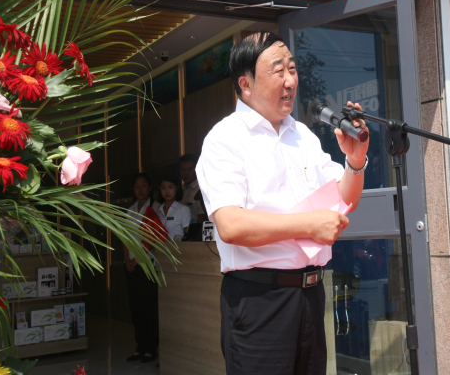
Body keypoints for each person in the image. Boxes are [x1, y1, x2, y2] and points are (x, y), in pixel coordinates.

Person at [196, 31, 369, 375]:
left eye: (292, 68)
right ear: (245, 84)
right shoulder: (224, 139)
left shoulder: (302, 136)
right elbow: (230, 225)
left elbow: (344, 199)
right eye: (279, 71)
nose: (290, 80)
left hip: (310, 295)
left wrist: (355, 161)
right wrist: (309, 225)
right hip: (259, 300)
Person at [124, 173, 161, 364]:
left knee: (149, 307)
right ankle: (140, 345)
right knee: (136, 307)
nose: (140, 190)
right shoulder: (130, 210)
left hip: (148, 264)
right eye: (137, 186)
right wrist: (127, 260)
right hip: (131, 265)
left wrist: (137, 260)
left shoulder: (156, 208)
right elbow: (125, 237)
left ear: (150, 187)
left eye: (144, 185)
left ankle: (151, 347)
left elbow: (152, 238)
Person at [157, 171, 192, 241]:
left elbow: (189, 237)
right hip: (160, 248)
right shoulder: (158, 210)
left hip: (178, 247)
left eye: (170, 187)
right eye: (163, 188)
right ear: (160, 188)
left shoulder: (183, 210)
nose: (167, 191)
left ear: (177, 188)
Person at [177, 153, 207, 222]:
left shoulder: (201, 189)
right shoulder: (179, 190)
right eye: (183, 169)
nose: (186, 173)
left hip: (196, 227)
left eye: (190, 169)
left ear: (197, 169)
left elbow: (202, 217)